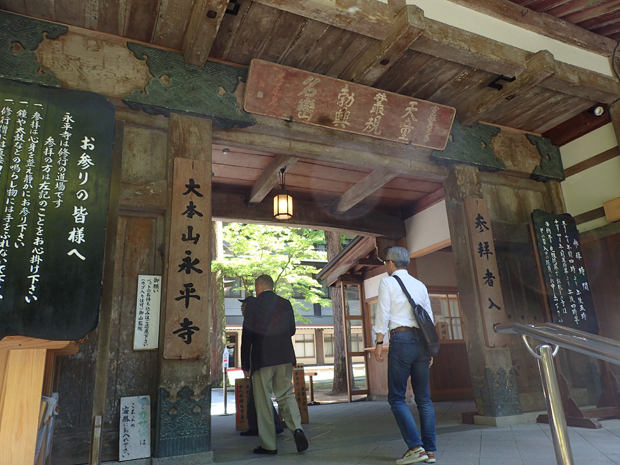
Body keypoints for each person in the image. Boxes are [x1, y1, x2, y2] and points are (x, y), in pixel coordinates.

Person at [373, 247, 437, 465]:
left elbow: (383, 311)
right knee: (424, 398)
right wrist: (430, 347)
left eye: (385, 263)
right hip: (422, 342)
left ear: (391, 263)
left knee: (397, 397)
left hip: (401, 340)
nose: (385, 266)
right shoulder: (420, 285)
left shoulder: (388, 283)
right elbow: (428, 317)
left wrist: (379, 342)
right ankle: (429, 451)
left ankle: (415, 447)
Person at [241, 274, 309, 455]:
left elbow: (247, 335)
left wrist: (245, 363)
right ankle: (297, 429)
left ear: (259, 286)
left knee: (263, 399)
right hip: (285, 355)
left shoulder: (253, 305)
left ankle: (268, 445)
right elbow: (292, 329)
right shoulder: (285, 303)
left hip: (262, 358)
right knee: (286, 394)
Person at [238, 296, 283, 437]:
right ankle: (258, 426)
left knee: (259, 396)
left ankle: (273, 425)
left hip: (258, 365)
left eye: (244, 305)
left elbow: (247, 344)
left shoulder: (253, 321)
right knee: (256, 397)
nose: (242, 308)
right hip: (263, 364)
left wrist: (246, 364)